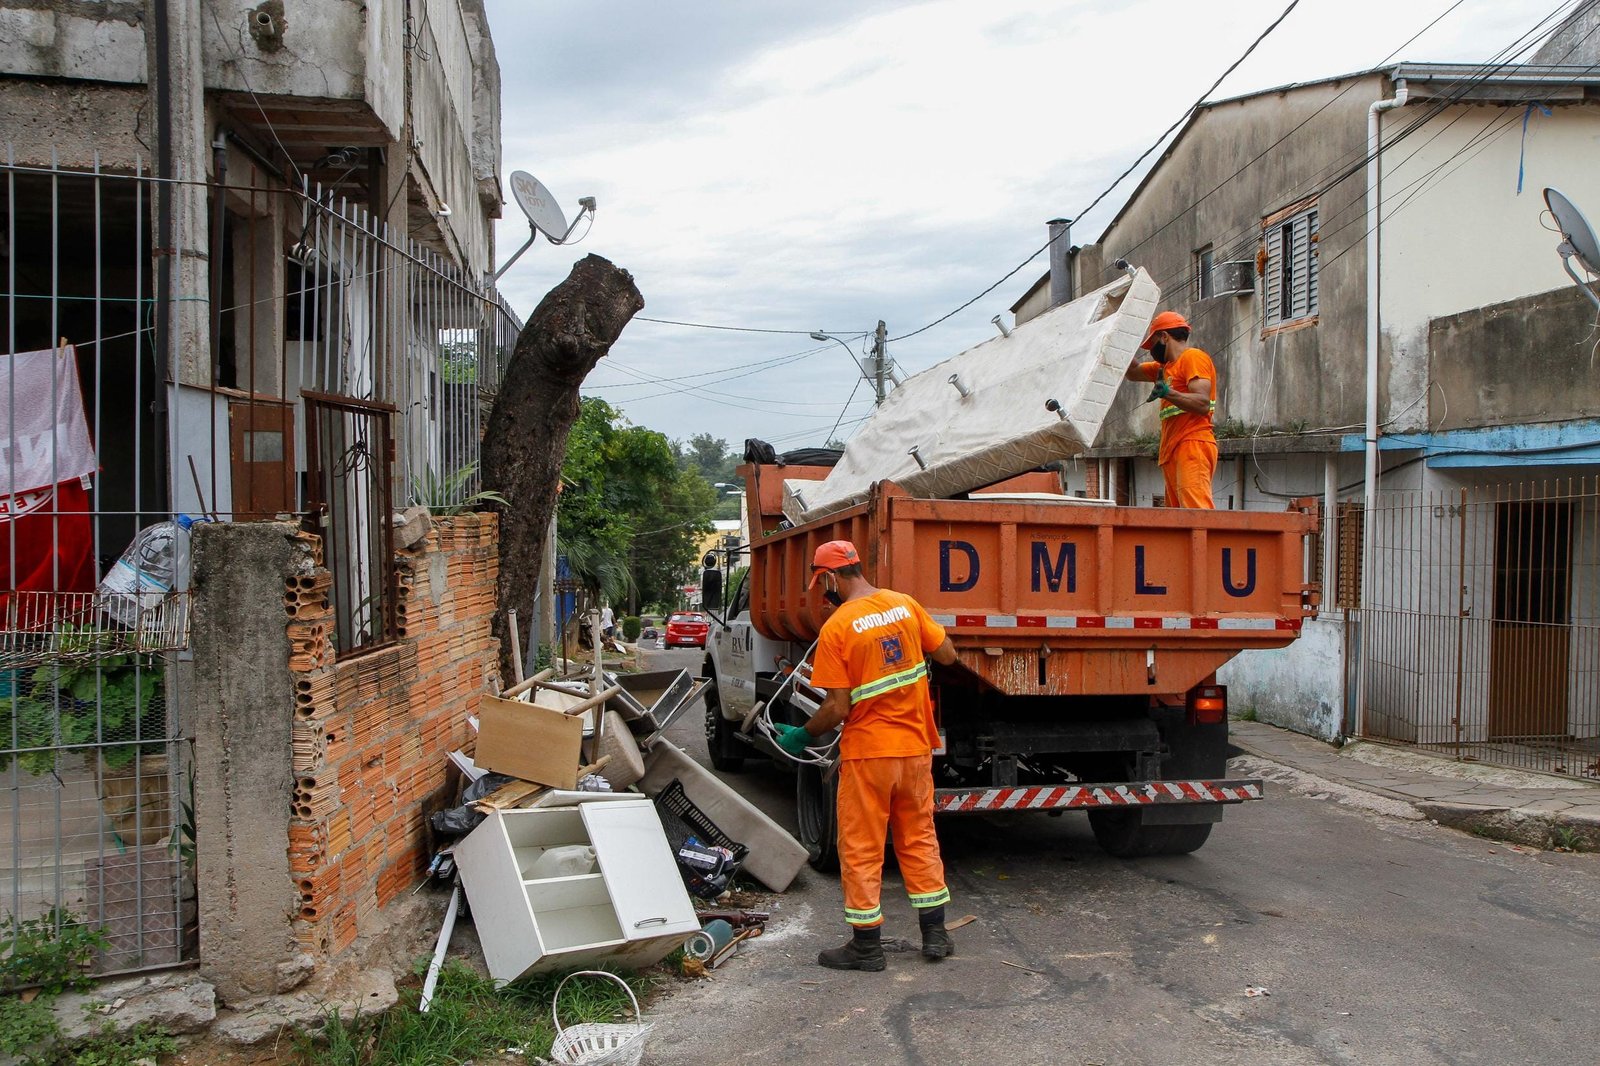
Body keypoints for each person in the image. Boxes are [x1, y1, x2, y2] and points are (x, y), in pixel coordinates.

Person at [772, 540, 960, 972]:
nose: (825, 593)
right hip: (915, 751)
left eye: (823, 584)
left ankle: (867, 947)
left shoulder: (838, 627)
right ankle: (935, 934)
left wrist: (801, 735)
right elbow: (947, 655)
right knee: (919, 840)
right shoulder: (904, 604)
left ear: (833, 579)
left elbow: (837, 707)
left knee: (861, 847)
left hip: (869, 755)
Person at [1123, 310, 1218, 509]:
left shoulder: (1192, 357)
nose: (1152, 349)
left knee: (1196, 514)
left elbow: (1202, 404)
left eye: (1153, 343)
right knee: (1179, 519)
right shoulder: (1165, 368)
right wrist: (1120, 342)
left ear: (1164, 337)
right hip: (1174, 449)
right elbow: (1132, 373)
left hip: (1192, 443)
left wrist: (1168, 393)